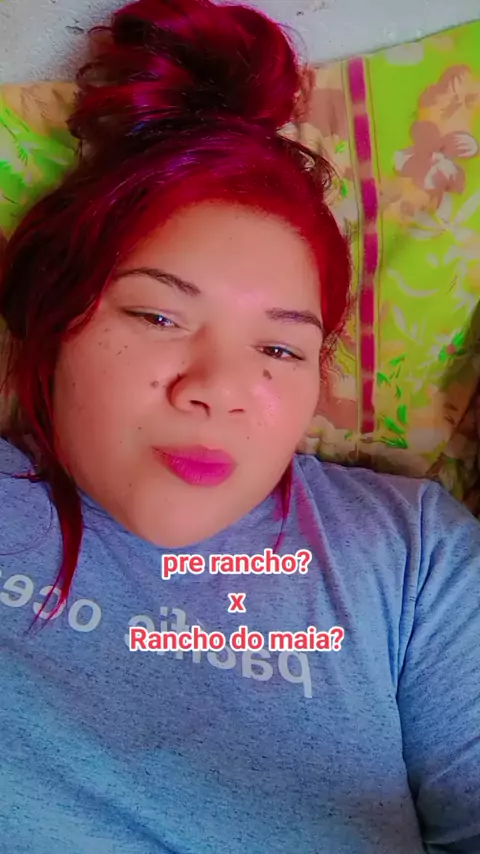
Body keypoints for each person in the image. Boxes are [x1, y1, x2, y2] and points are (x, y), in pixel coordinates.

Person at [0, 0, 479, 851]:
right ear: (52, 317)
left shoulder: (415, 557)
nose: (220, 390)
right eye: (157, 316)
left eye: (280, 349)